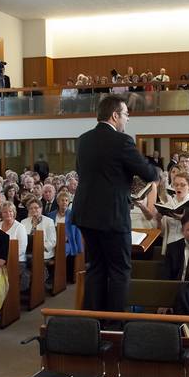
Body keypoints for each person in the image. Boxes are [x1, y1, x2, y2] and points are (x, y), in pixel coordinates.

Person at [72, 94, 159, 314]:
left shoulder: (83, 139)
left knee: (96, 268)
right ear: (114, 115)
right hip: (111, 216)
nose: (127, 120)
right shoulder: (122, 141)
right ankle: (115, 324)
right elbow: (147, 172)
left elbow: (90, 173)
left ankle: (94, 321)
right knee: (120, 270)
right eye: (126, 115)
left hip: (86, 214)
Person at [157, 171, 189, 251]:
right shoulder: (169, 204)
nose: (178, 187)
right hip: (170, 244)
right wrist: (159, 220)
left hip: (188, 245)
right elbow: (163, 232)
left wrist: (184, 219)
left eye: (182, 185)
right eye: (176, 185)